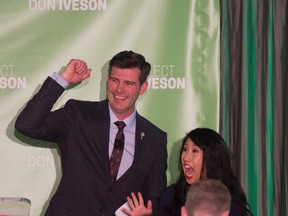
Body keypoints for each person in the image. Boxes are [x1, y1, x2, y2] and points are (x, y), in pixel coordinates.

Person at [15, 51, 167, 216]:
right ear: (107, 80)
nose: (119, 89)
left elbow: (156, 198)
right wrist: (63, 80)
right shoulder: (78, 115)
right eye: (114, 80)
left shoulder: (155, 138)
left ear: (142, 87)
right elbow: (27, 125)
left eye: (129, 83)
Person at [123, 128, 252, 216]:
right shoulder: (171, 195)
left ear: (212, 157)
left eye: (194, 151)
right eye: (185, 149)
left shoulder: (229, 201)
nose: (186, 157)